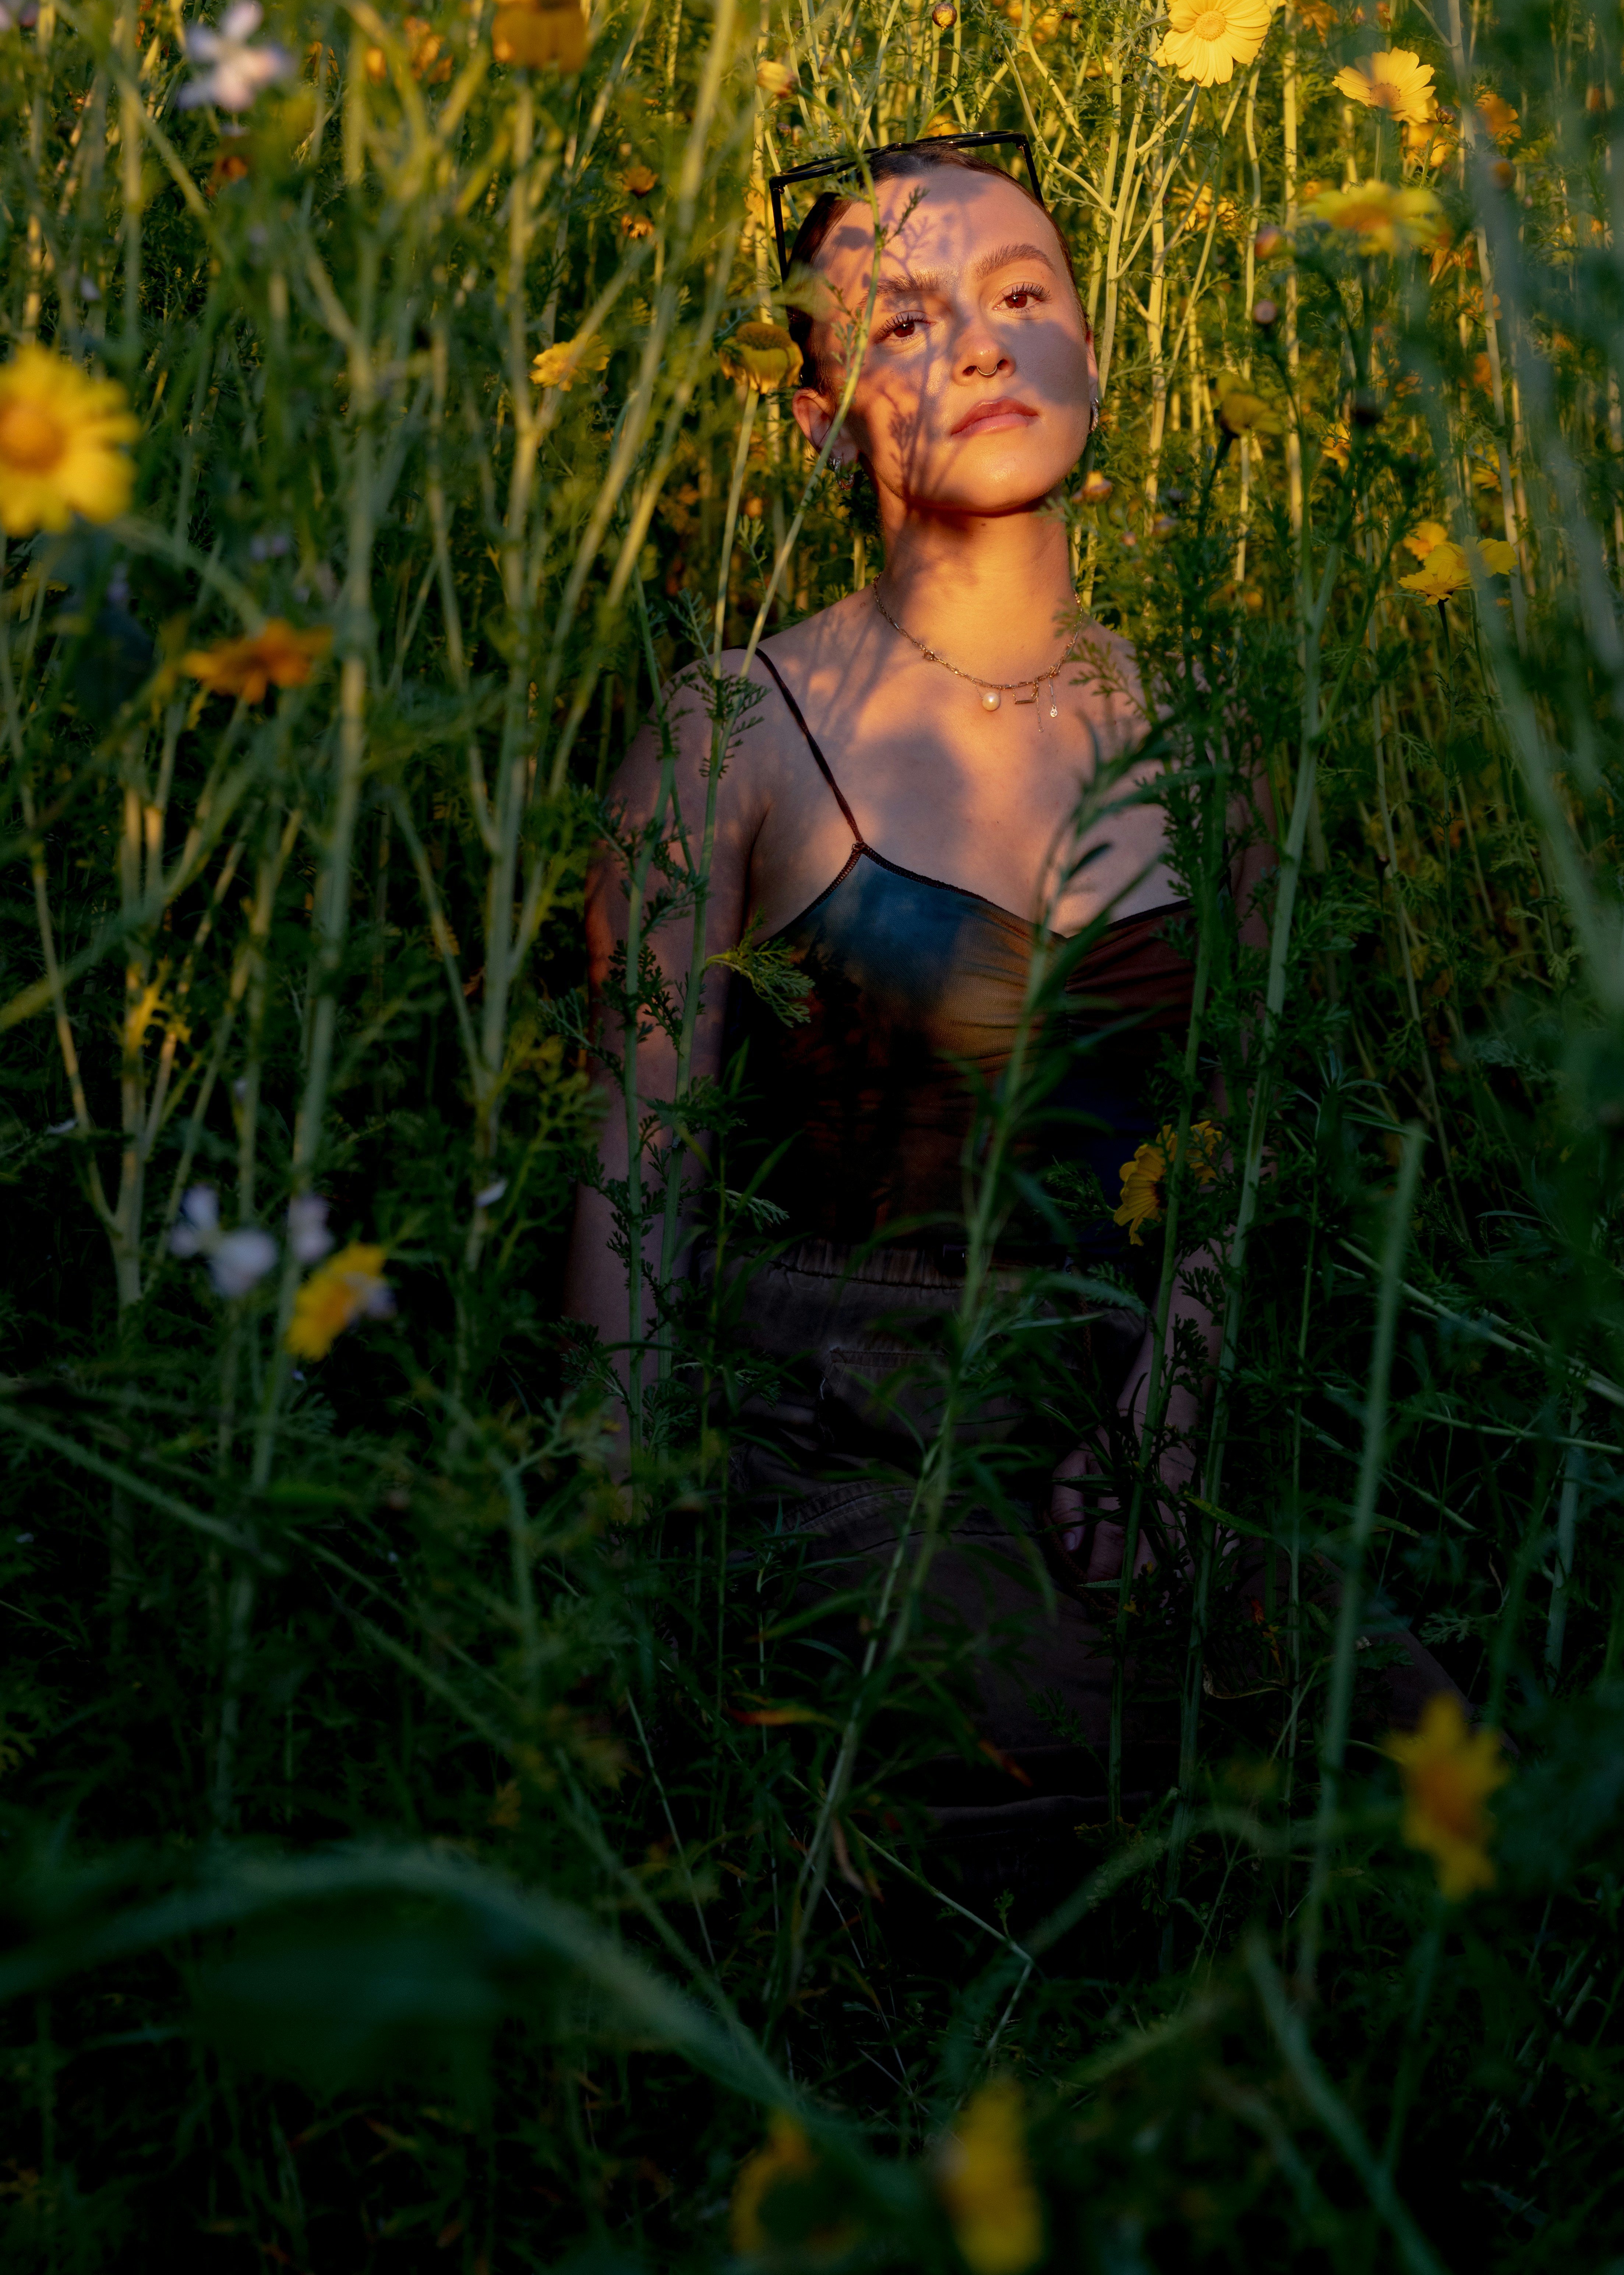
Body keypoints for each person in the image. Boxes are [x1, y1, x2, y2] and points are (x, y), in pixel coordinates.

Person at [564, 135, 1452, 1927]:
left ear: (1091, 356)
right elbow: (635, 1181)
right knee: (1046, 1777)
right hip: (835, 1401)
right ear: (818, 415)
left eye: (1022, 294)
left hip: (1121, 1393)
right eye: (903, 320)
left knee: (1427, 1759)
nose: (978, 342)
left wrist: (1172, 1406)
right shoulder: (736, 729)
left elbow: (1233, 1131)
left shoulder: (1207, 734)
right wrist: (601, 1585)